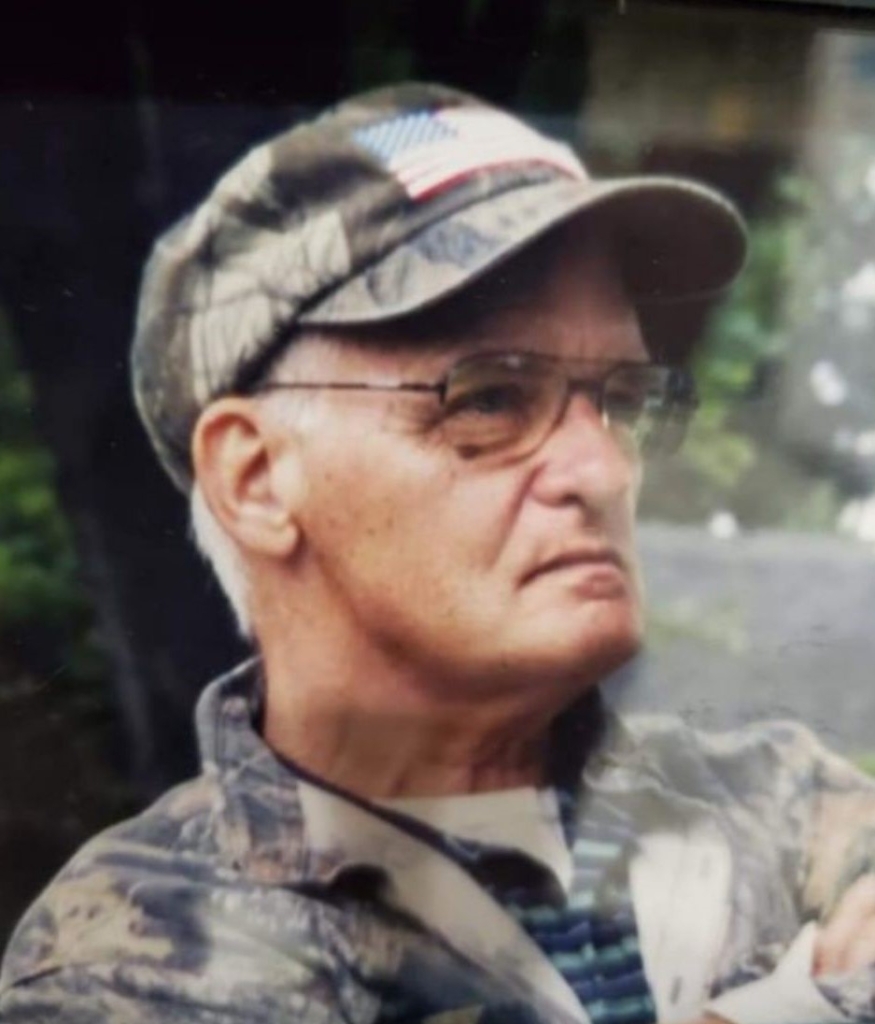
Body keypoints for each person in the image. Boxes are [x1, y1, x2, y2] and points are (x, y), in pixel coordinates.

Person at [1, 81, 874, 1024]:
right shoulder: (129, 953)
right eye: (490, 398)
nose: (602, 470)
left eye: (621, 400)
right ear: (256, 479)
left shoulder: (774, 794)